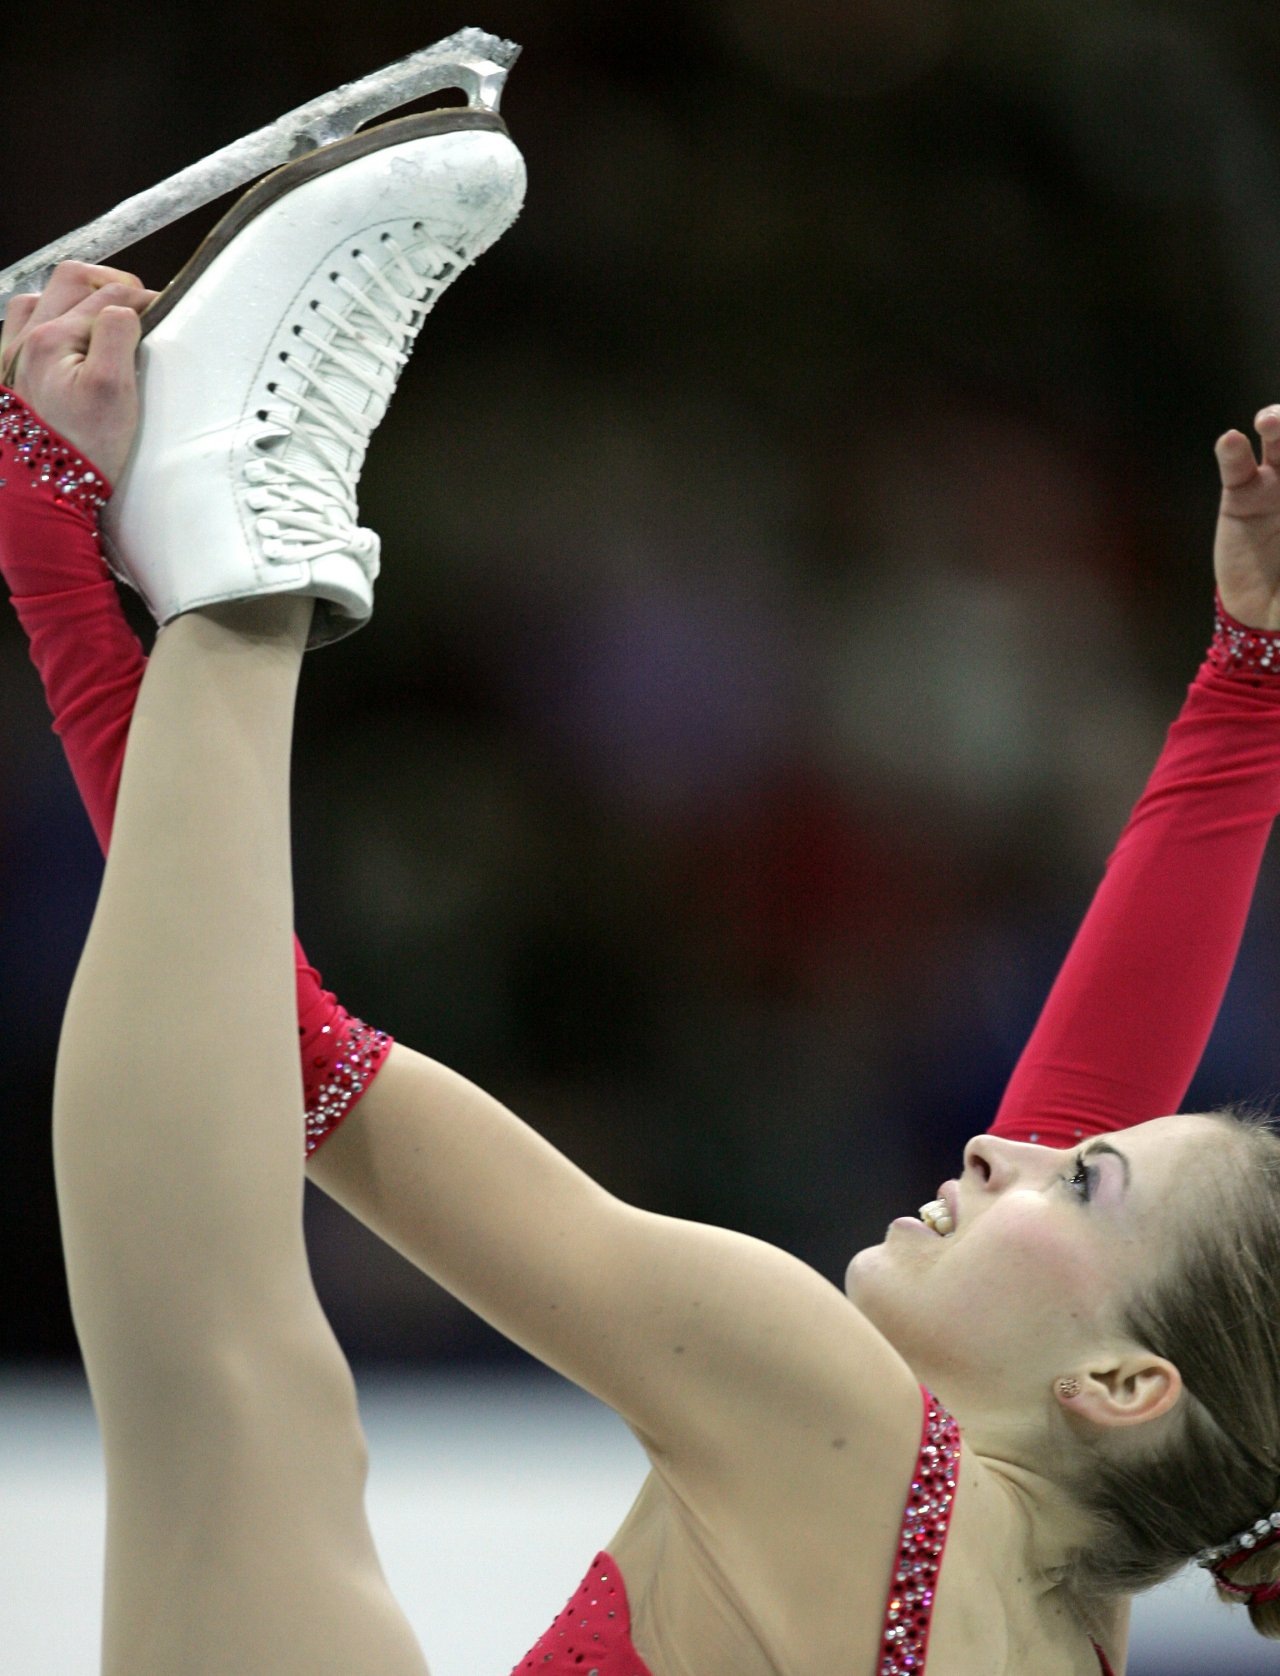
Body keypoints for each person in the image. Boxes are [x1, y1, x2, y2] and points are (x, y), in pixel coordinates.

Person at [4, 115, 1280, 1676]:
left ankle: (247, 569)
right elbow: (1116, 1146)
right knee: (231, 1404)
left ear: (1127, 1387)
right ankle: (222, 544)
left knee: (239, 1386)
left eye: (1081, 1182)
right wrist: (1245, 691)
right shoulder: (1061, 1620)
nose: (1008, 1141)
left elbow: (310, 1073)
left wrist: (84, 582)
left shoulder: (842, 1426)